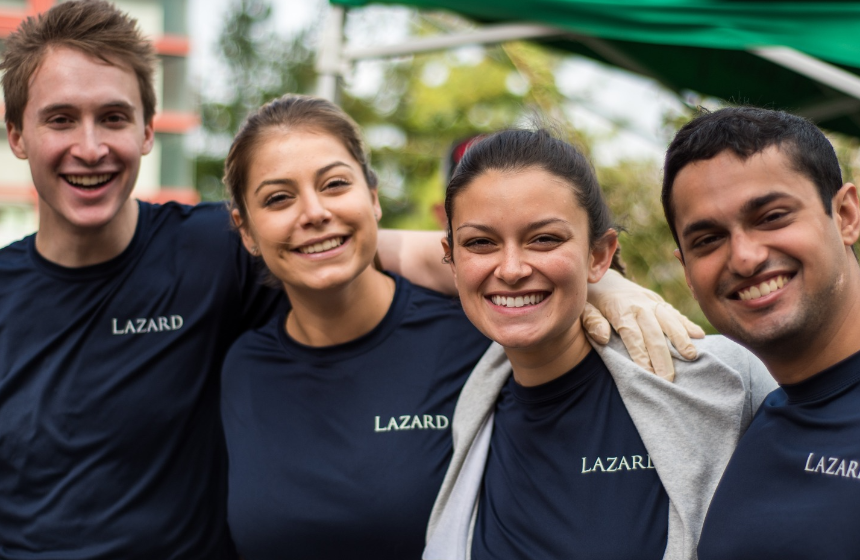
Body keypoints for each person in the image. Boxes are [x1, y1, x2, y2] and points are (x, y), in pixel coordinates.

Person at [0, 2, 699, 557]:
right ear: (16, 135)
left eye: (113, 117)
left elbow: (392, 250)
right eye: (60, 119)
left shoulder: (203, 247)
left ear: (148, 130)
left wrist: (600, 281)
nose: (90, 146)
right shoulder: (238, 330)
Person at [423, 128, 776, 560]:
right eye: (480, 243)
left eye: (544, 239)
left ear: (599, 256)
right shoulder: (465, 400)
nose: (511, 269)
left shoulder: (720, 380)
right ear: (451, 258)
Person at [661, 107, 860, 559]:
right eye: (707, 240)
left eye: (772, 217)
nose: (745, 258)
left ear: (845, 215)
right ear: (687, 271)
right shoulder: (735, 420)